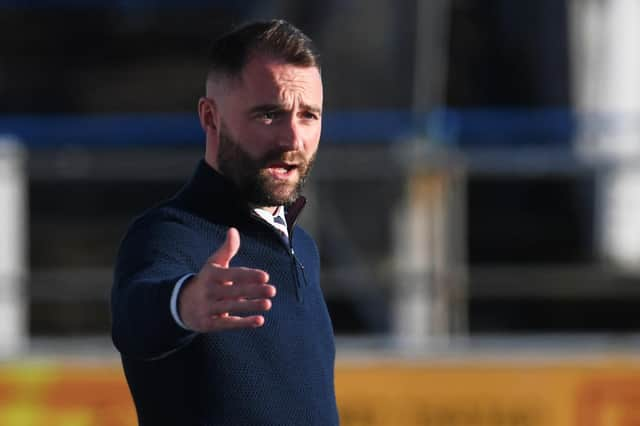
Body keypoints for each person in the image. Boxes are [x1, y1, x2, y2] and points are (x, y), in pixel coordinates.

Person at [111, 19, 339, 425]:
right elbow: (134, 320)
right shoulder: (168, 233)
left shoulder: (302, 246)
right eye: (269, 114)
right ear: (211, 118)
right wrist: (183, 303)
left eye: (308, 115)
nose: (293, 138)